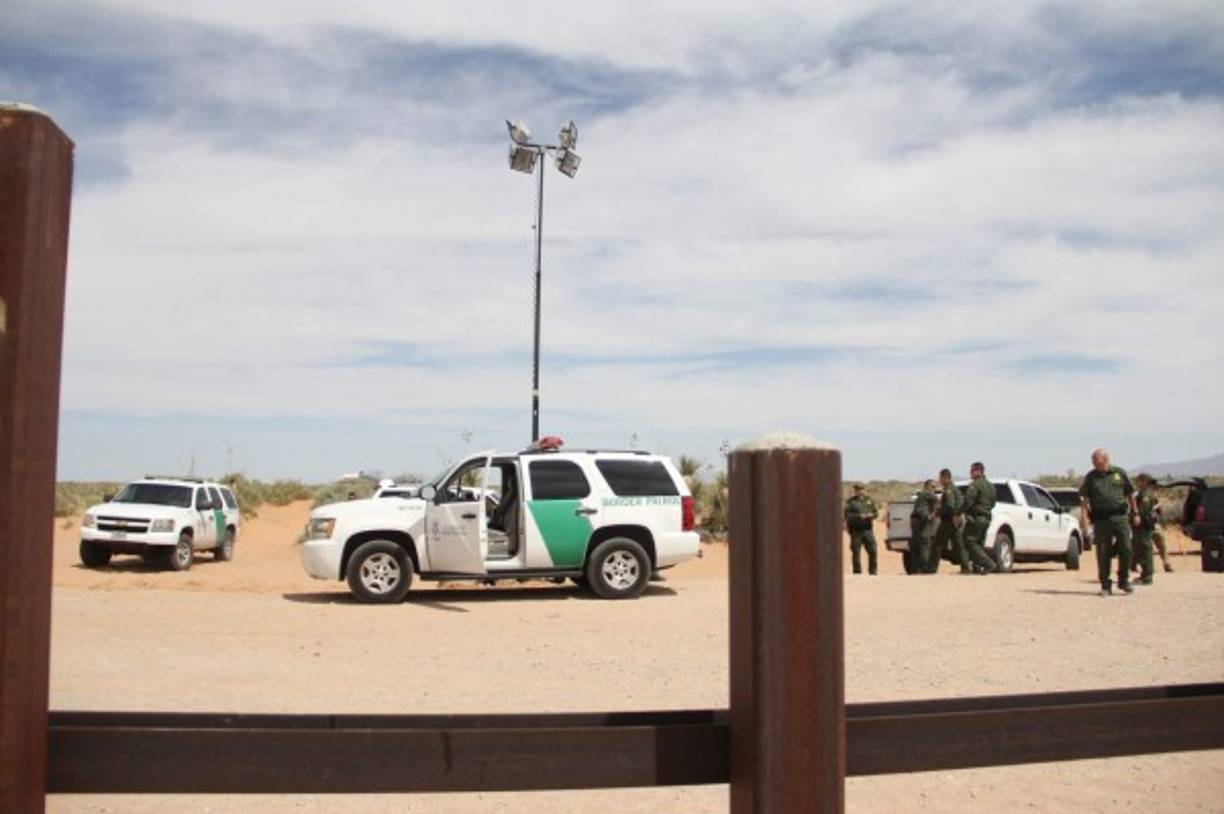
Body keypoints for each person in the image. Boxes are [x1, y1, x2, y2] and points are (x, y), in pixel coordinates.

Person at [1079, 449, 1137, 596]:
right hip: (1101, 520)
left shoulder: (1119, 473)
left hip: (1120, 517)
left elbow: (1130, 494)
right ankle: (1105, 585)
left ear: (1105, 459)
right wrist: (1084, 522)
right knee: (1103, 552)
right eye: (1092, 461)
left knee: (1126, 548)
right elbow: (1085, 501)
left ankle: (1123, 580)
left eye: (1095, 460)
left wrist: (1135, 513)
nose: (1093, 463)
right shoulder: (1091, 477)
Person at [961, 462, 998, 574]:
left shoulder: (975, 485)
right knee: (979, 543)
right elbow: (993, 503)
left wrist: (960, 511)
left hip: (976, 518)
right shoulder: (991, 486)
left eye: (972, 471)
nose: (970, 473)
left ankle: (988, 564)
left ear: (978, 471)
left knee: (969, 541)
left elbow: (968, 501)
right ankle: (978, 568)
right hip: (986, 517)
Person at [929, 468, 968, 574]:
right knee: (959, 545)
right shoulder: (954, 488)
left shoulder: (949, 489)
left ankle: (931, 568)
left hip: (949, 521)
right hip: (955, 520)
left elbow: (950, 506)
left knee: (937, 545)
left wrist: (939, 512)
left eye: (941, 477)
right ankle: (965, 567)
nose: (940, 480)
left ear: (946, 478)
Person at [844, 484, 879, 575]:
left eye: (862, 489)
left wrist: (870, 515)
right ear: (855, 491)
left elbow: (876, 513)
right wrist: (859, 516)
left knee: (873, 550)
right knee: (856, 553)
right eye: (858, 490)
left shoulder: (869, 501)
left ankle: (873, 571)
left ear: (864, 490)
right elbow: (848, 516)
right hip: (856, 531)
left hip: (868, 530)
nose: (860, 491)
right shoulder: (851, 502)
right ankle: (857, 572)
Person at [910, 479, 938, 574]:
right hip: (922, 522)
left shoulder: (923, 495)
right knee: (925, 545)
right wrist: (932, 514)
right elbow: (936, 499)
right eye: (933, 487)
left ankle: (916, 569)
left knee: (918, 546)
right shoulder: (926, 493)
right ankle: (926, 568)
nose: (934, 489)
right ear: (927, 486)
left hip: (918, 522)